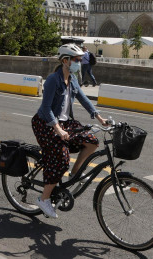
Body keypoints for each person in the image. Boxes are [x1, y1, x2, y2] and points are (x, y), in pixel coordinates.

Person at [32, 44, 107, 218]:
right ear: (65, 61)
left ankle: (74, 174)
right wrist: (57, 128)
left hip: (65, 124)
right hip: (46, 124)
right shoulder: (53, 80)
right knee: (61, 158)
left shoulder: (72, 79)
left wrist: (99, 118)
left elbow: (83, 98)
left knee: (91, 141)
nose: (79, 63)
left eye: (80, 60)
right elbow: (46, 108)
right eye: (77, 60)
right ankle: (44, 199)